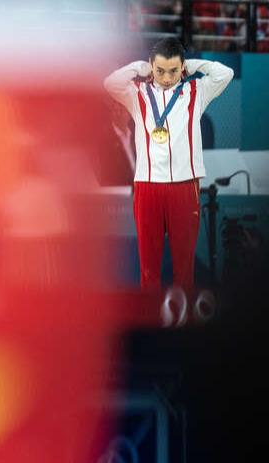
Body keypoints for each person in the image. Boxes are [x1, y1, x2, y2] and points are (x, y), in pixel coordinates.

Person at [104, 37, 233, 293]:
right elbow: (110, 83)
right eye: (160, 70)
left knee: (184, 268)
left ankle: (182, 316)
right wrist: (140, 67)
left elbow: (225, 73)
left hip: (184, 187)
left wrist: (192, 65)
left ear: (182, 68)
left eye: (173, 71)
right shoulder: (137, 94)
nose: (166, 78)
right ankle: (150, 315)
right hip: (147, 186)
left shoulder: (196, 92)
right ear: (152, 67)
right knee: (148, 268)